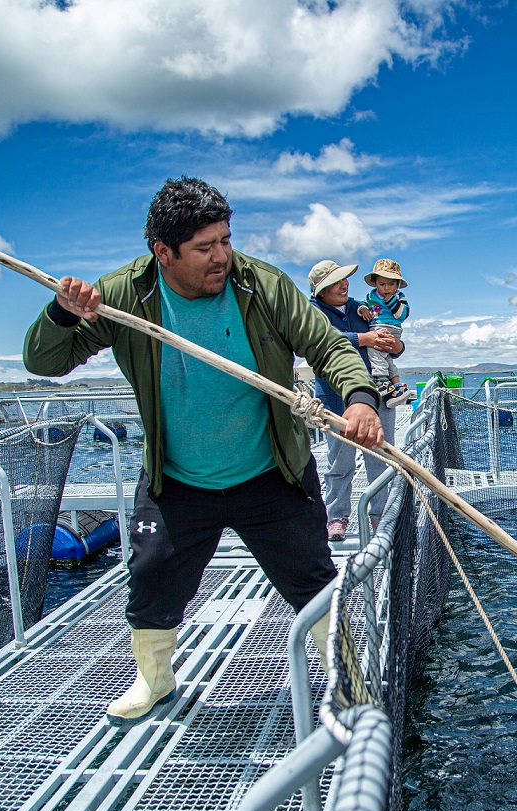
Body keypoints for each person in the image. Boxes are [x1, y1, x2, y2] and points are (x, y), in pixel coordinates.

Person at [23, 177, 383, 725]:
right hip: (179, 478)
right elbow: (46, 363)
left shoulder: (262, 285)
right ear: (162, 253)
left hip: (271, 472)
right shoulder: (122, 295)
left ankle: (351, 680)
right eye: (204, 247)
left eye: (226, 240)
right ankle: (154, 680)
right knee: (151, 581)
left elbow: (327, 343)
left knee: (312, 578)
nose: (222, 256)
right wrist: (64, 314)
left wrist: (359, 399)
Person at [308, 259, 401, 542]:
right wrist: (365, 338)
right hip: (335, 401)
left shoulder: (363, 306)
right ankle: (337, 516)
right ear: (321, 291)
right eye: (336, 282)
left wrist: (394, 345)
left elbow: (392, 342)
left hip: (378, 396)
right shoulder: (311, 312)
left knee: (380, 459)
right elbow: (321, 340)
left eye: (345, 279)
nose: (344, 284)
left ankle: (380, 516)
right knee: (340, 462)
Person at [359, 258, 414, 407]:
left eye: (391, 284)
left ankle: (382, 381)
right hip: (377, 325)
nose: (386, 288)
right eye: (382, 284)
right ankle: (397, 386)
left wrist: (391, 301)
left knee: (374, 349)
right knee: (386, 357)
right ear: (376, 283)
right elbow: (363, 304)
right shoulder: (371, 296)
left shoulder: (398, 297)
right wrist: (363, 309)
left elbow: (402, 315)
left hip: (389, 328)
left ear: (397, 284)